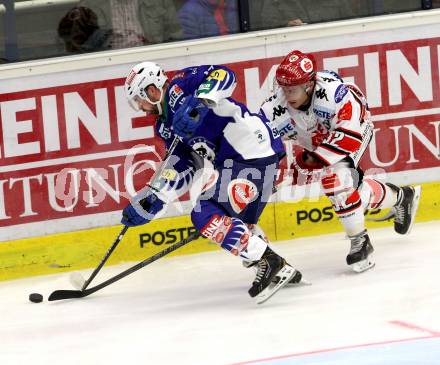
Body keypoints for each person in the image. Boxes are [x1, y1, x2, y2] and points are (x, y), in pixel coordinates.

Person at [120, 61, 304, 303]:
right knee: (238, 223)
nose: (141, 108)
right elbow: (186, 163)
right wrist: (156, 196)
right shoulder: (164, 127)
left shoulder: (182, 83)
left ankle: (270, 262)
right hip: (241, 162)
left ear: (152, 90)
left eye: (139, 100)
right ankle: (278, 266)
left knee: (203, 213)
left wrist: (201, 101)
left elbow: (225, 75)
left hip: (252, 152)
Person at [260, 50, 421, 273]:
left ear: (309, 84)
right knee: (353, 193)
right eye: (283, 88)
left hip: (355, 130)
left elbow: (347, 137)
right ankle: (401, 197)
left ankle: (360, 241)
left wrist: (311, 159)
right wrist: (265, 174)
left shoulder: (334, 95)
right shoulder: (273, 108)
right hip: (316, 141)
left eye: (293, 88)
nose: (286, 94)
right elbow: (261, 145)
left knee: (336, 181)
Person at [79, 0, 182, 49]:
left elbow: (176, 35)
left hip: (153, 61)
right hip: (111, 66)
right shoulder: (90, 5)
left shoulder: (158, 2)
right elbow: (81, 48)